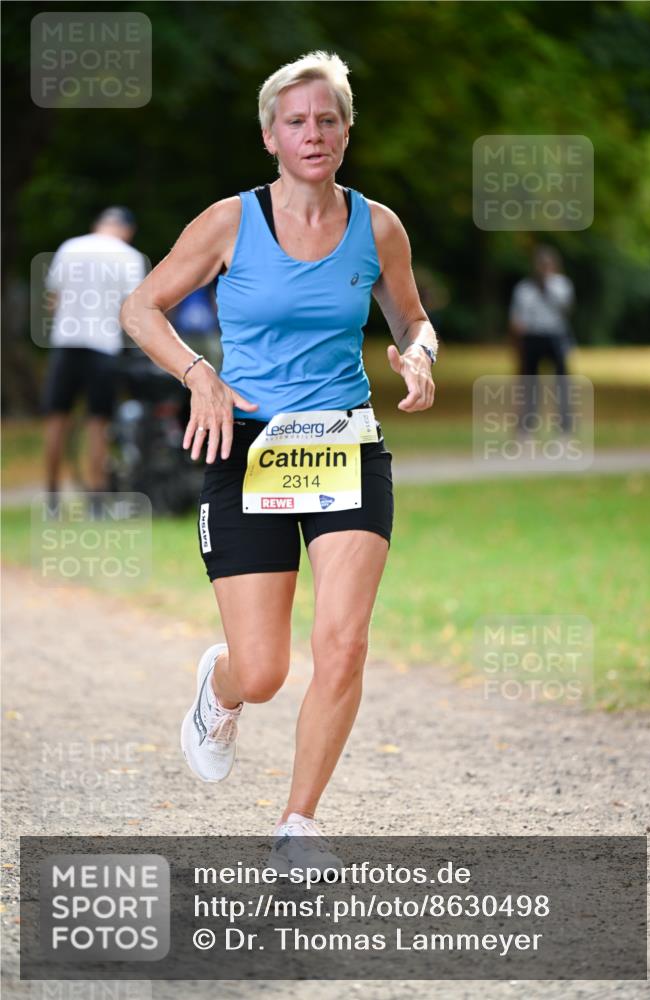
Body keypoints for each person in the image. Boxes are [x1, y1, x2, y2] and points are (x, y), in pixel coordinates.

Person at [121, 51, 437, 863]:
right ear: (269, 135)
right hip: (247, 446)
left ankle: (298, 822)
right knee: (262, 671)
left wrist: (419, 355)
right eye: (296, 121)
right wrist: (198, 373)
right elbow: (140, 307)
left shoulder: (379, 226)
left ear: (345, 132)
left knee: (343, 642)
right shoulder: (230, 221)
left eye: (327, 119)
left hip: (345, 447)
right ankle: (221, 685)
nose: (313, 133)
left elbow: (410, 318)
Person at [42, 206, 145, 494]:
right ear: (127, 230)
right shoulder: (130, 257)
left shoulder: (69, 248)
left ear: (97, 224)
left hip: (65, 345)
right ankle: (97, 496)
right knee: (98, 422)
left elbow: (53, 300)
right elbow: (132, 310)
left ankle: (51, 495)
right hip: (103, 347)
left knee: (56, 419)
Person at [509, 245, 575, 435]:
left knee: (561, 382)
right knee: (529, 384)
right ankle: (526, 425)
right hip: (532, 338)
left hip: (555, 335)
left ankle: (564, 425)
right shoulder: (524, 288)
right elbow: (516, 319)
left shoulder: (562, 285)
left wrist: (546, 289)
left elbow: (566, 309)